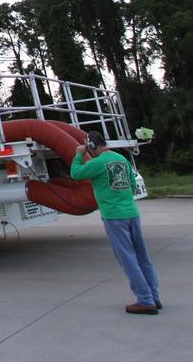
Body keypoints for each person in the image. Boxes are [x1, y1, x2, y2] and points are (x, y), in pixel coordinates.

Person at [71, 130, 161, 314]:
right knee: (142, 258)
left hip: (114, 216)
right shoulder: (122, 159)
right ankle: (154, 296)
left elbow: (76, 173)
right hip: (132, 213)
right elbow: (133, 185)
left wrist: (78, 155)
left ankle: (145, 300)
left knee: (127, 259)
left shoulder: (97, 163)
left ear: (92, 146)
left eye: (89, 147)